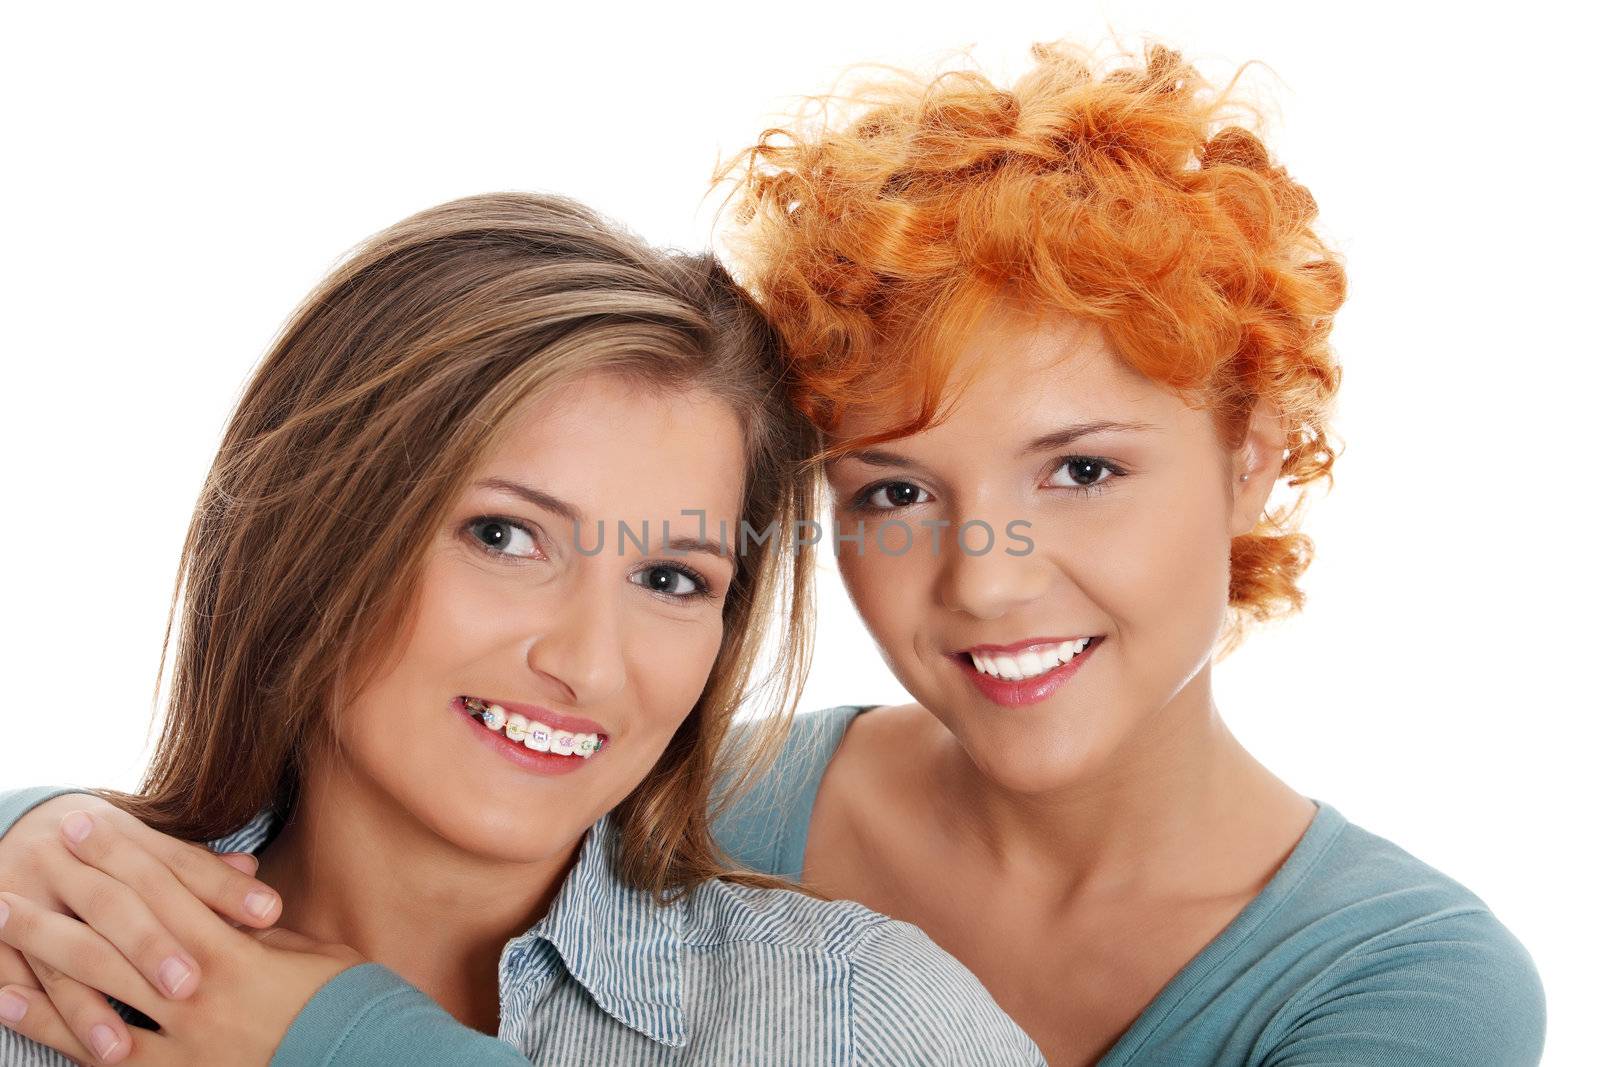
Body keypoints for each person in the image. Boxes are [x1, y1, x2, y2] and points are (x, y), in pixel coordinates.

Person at [0, 192, 1045, 1065]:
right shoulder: (40, 971)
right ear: (313, 530)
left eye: (672, 577)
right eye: (504, 535)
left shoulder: (856, 1021)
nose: (587, 662)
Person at [706, 39, 1545, 1065]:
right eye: (897, 491)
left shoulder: (1406, 979)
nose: (987, 579)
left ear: (1248, 460)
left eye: (1082, 472)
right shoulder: (696, 813)